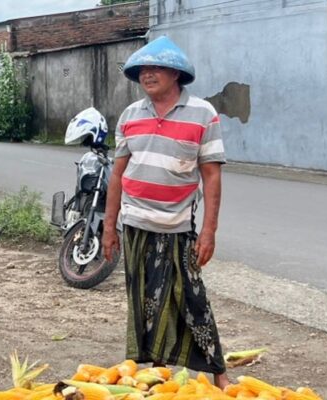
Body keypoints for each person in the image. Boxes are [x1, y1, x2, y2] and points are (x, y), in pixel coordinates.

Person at [102, 36, 231, 388]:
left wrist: (209, 231)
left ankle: (219, 373)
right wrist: (108, 227)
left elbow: (211, 176)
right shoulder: (130, 115)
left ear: (176, 73)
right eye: (142, 69)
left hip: (178, 227)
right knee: (144, 303)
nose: (147, 74)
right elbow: (118, 174)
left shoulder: (203, 114)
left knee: (191, 298)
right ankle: (155, 374)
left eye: (156, 67)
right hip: (135, 225)